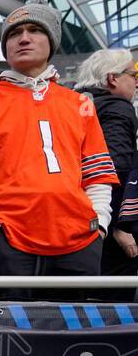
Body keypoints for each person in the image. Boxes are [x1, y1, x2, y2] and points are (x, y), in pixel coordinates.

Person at [0, 3, 118, 301]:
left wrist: (98, 225)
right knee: (11, 341)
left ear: (51, 41)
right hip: (10, 244)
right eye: (14, 33)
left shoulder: (80, 104)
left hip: (80, 245)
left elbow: (97, 174)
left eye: (35, 30)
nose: (24, 38)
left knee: (78, 341)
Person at [75, 49, 138, 297]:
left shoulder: (73, 102)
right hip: (107, 221)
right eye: (133, 75)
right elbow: (117, 166)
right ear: (113, 79)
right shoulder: (117, 106)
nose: (135, 82)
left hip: (73, 216)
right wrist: (120, 225)